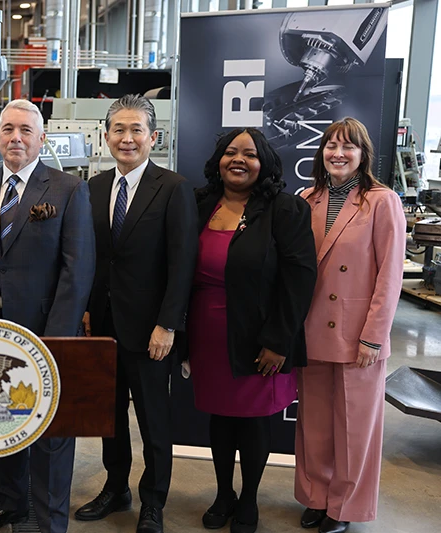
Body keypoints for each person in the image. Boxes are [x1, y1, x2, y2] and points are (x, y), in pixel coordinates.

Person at [0, 99, 95, 533]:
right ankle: (12, 504)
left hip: (44, 332)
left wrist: (57, 338)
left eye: (25, 130)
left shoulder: (68, 189)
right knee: (2, 423)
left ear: (41, 139)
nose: (15, 138)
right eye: (7, 129)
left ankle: (49, 520)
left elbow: (78, 269)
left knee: (51, 433)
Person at [74, 94, 197, 533]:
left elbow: (183, 263)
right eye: (119, 130)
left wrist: (168, 324)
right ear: (106, 136)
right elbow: (90, 257)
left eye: (136, 130)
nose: (127, 139)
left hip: (150, 330)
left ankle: (153, 501)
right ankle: (115, 488)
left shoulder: (174, 188)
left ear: (153, 137)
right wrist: (86, 309)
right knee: (109, 417)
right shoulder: (93, 188)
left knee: (153, 421)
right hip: (103, 325)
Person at [189, 128, 316, 533]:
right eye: (230, 152)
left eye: (249, 154)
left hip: (261, 334)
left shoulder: (285, 209)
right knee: (221, 416)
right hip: (207, 332)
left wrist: (278, 340)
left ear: (265, 163)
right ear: (218, 161)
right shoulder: (199, 204)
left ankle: (248, 499)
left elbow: (299, 280)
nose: (238, 160)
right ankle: (223, 493)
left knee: (253, 419)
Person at [294, 118, 406, 533]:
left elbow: (390, 275)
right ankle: (317, 497)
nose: (338, 153)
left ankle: (345, 507)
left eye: (348, 146)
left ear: (363, 154)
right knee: (315, 425)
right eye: (331, 145)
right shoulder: (306, 198)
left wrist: (374, 336)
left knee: (355, 428)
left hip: (358, 334)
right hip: (311, 330)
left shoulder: (382, 200)